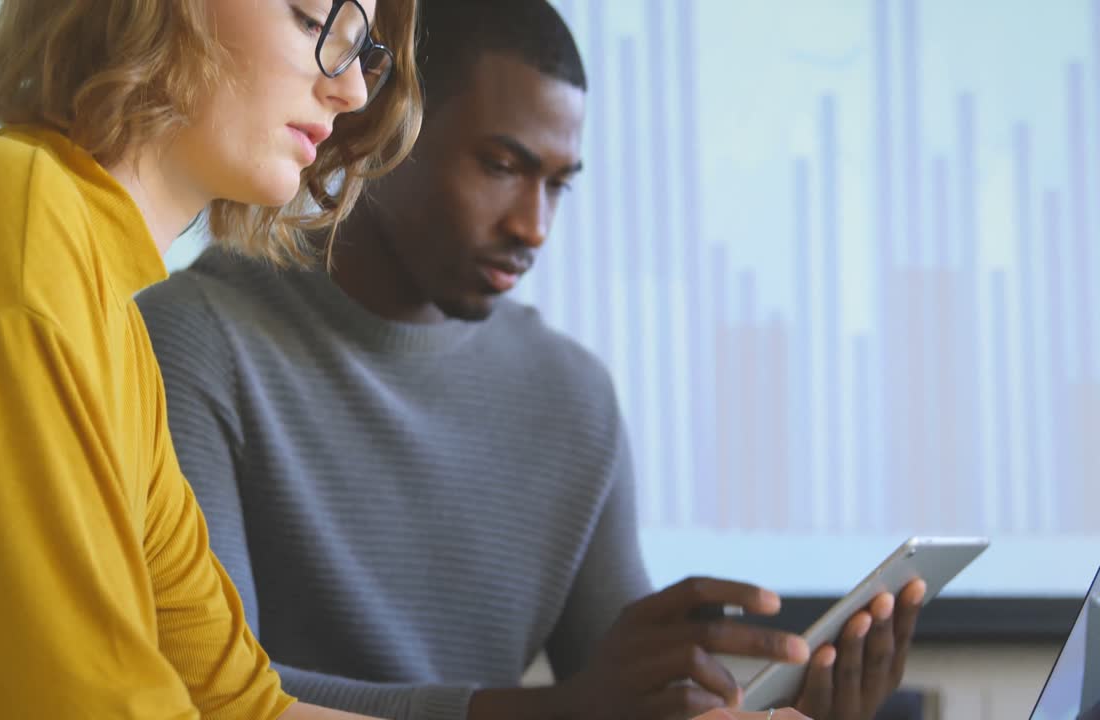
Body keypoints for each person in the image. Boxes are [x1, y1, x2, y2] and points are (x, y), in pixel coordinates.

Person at [138, 1, 922, 720]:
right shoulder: (194, 340)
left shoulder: (571, 396)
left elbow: (619, 698)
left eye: (557, 185)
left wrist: (786, 703)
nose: (534, 227)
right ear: (384, 131)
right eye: (502, 166)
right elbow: (210, 696)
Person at [0, 0, 422, 717]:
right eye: (309, 18)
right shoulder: (9, 230)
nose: (352, 91)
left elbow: (242, 705)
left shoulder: (97, 300)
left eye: (361, 50)